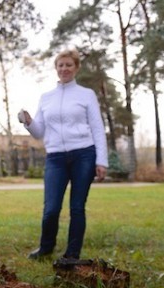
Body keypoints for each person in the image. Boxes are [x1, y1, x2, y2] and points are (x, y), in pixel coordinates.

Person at [20, 49, 108, 260]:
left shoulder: (86, 95)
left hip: (84, 155)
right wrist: (29, 122)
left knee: (77, 207)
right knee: (51, 208)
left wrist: (101, 160)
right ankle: (46, 248)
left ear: (76, 68)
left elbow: (97, 128)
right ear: (56, 69)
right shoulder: (46, 97)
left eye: (69, 65)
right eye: (60, 65)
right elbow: (40, 133)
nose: (64, 69)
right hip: (56, 157)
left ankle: (72, 254)